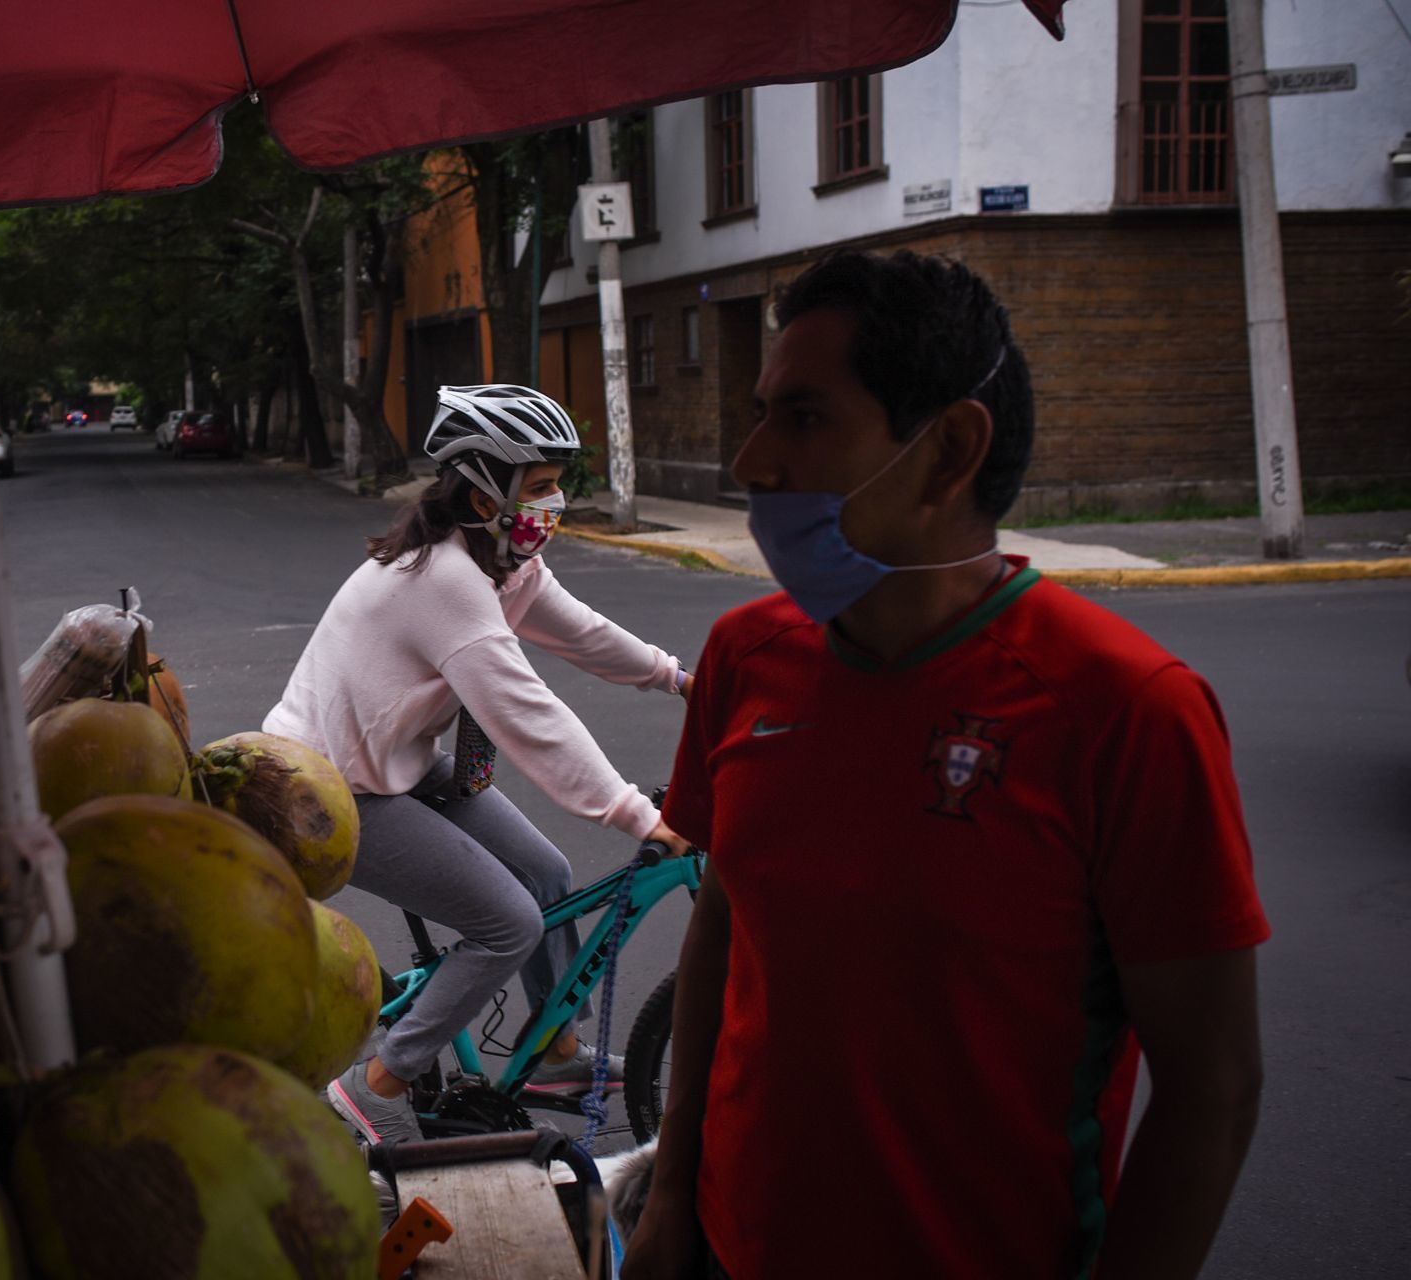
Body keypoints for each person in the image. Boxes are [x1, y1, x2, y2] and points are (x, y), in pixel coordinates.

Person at [624, 251, 1269, 1279]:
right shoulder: (745, 656)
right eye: (759, 414)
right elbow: (724, 921)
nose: (749, 461)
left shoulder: (1129, 708)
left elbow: (1214, 1087)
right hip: (728, 1246)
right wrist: (670, 1190)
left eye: (801, 417)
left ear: (948, 449)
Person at [262, 383, 692, 1145]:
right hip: (328, 785)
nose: (555, 502)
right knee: (507, 922)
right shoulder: (446, 582)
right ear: (482, 486)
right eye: (540, 486)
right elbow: (529, 717)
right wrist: (637, 815)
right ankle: (375, 1083)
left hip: (398, 758)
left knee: (549, 871)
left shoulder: (502, 562)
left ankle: (558, 1052)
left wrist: (679, 678)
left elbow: (583, 633)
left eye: (558, 483)